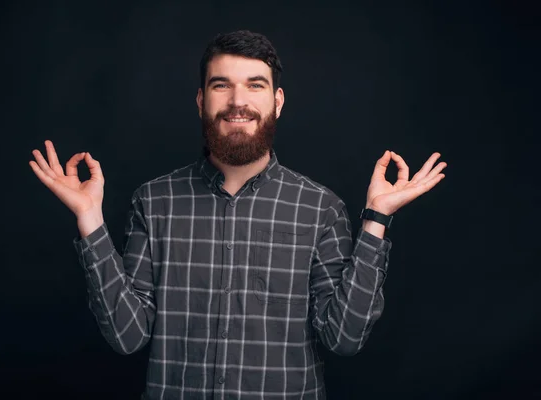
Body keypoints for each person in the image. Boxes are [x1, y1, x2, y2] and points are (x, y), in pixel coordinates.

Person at [29, 30, 446, 399]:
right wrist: (90, 219)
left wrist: (377, 218)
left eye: (255, 85)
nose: (238, 101)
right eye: (221, 85)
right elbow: (127, 335)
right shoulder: (153, 202)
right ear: (200, 99)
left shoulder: (321, 208)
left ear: (277, 101)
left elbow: (345, 337)